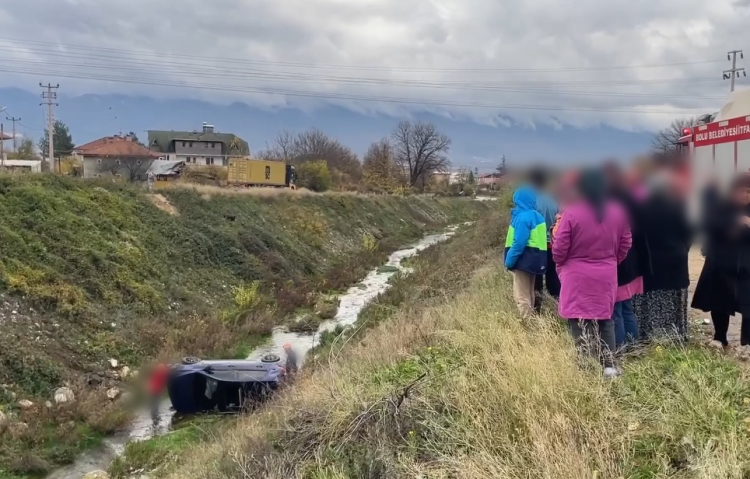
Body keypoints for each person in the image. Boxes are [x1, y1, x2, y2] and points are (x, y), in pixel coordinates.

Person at [552, 169, 631, 377]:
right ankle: (609, 367)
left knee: (579, 320)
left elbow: (559, 248)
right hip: (606, 274)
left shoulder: (572, 211)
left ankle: (585, 367)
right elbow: (626, 243)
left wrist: (562, 264)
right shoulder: (618, 211)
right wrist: (611, 261)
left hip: (576, 275)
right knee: (606, 319)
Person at [692, 174, 750, 351]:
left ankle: (747, 342)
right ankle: (720, 337)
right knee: (719, 302)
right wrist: (733, 225)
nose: (745, 195)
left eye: (749, 192)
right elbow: (708, 227)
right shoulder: (721, 207)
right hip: (721, 264)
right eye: (742, 191)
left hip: (746, 267)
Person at [632, 172, 692, 342]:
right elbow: (689, 233)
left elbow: (635, 237)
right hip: (676, 262)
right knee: (673, 300)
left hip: (650, 263)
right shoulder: (678, 205)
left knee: (649, 301)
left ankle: (647, 336)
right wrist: (682, 250)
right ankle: (675, 335)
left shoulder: (639, 209)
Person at [604, 162, 651, 348]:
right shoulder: (631, 198)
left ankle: (620, 348)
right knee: (626, 308)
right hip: (633, 262)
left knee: (615, 310)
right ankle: (633, 345)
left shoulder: (609, 202)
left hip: (619, 263)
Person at [504, 186, 548, 317]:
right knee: (530, 293)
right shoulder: (538, 217)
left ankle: (527, 324)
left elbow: (519, 243)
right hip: (535, 261)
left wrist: (509, 261)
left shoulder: (522, 218)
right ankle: (534, 321)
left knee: (521, 296)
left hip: (523, 261)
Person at [528, 169, 561, 313]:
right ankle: (559, 309)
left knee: (536, 283)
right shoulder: (553, 201)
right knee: (553, 281)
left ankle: (537, 312)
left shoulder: (532, 202)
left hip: (536, 247)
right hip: (552, 246)